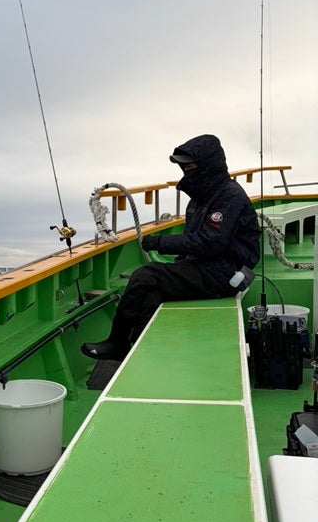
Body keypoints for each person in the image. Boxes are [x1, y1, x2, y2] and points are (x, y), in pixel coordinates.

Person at [81, 134, 261, 361]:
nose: (185, 169)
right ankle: (138, 348)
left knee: (145, 275)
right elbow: (195, 241)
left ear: (207, 164)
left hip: (226, 272)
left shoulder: (229, 196)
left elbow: (210, 242)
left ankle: (116, 341)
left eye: (190, 165)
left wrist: (159, 243)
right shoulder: (200, 197)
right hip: (208, 267)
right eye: (183, 165)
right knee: (152, 294)